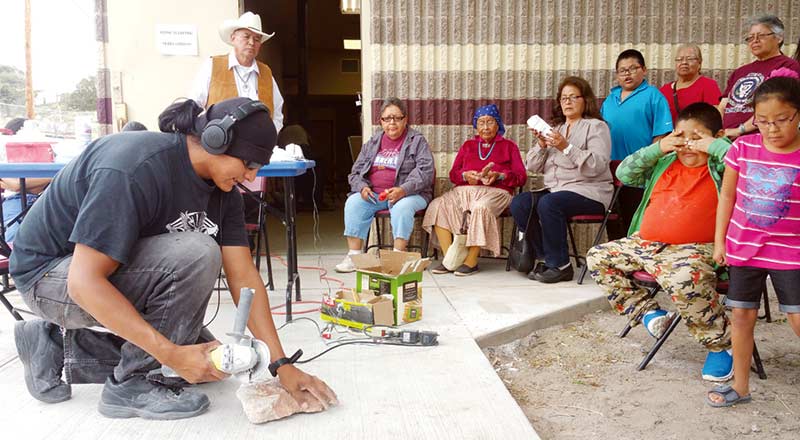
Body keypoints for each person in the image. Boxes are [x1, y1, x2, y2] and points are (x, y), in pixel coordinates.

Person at [9, 97, 337, 419]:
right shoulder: (134, 167)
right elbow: (83, 283)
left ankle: (53, 347)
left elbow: (244, 276)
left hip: (106, 273)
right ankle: (131, 384)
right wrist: (171, 354)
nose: (251, 177)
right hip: (50, 276)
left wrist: (280, 365)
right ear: (216, 141)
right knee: (197, 257)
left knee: (209, 360)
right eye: (249, 165)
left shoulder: (224, 193)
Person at [587, 102, 734, 382]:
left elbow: (742, 160)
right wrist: (660, 147)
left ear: (718, 136)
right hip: (648, 244)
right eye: (681, 136)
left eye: (696, 137)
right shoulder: (665, 160)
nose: (687, 144)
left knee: (682, 277)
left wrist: (714, 146)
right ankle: (648, 312)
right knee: (598, 256)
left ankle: (721, 346)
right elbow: (624, 174)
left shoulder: (722, 165)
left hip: (696, 248)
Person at [707, 75, 800, 407]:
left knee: (797, 318)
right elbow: (727, 196)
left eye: (781, 120)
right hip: (744, 246)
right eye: (762, 121)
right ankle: (741, 387)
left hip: (792, 252)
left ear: (798, 115)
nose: (772, 129)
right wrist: (720, 242)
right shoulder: (743, 148)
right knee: (742, 317)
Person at [509, 76, 612, 283]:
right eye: (564, 98)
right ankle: (545, 257)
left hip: (590, 191)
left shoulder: (596, 127)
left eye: (573, 97)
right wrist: (541, 145)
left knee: (549, 203)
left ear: (585, 101)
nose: (567, 102)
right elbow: (532, 167)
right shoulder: (557, 130)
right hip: (557, 190)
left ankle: (561, 265)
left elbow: (598, 165)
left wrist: (566, 147)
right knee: (520, 203)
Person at [423, 104, 526, 276]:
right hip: (465, 191)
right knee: (437, 205)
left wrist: (500, 175)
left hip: (496, 192)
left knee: (480, 207)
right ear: (475, 126)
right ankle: (451, 259)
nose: (485, 127)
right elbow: (453, 174)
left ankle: (471, 261)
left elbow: (521, 177)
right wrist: (465, 176)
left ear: (498, 124)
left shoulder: (509, 146)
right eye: (481, 122)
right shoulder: (468, 145)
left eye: (490, 122)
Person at [335, 98, 434, 273]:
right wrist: (362, 188)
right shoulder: (373, 142)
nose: (392, 123)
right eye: (387, 118)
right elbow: (355, 173)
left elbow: (426, 171)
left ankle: (397, 258)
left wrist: (403, 190)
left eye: (396, 118)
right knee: (354, 202)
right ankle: (354, 256)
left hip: (411, 194)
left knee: (402, 206)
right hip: (375, 195)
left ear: (405, 119)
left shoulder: (417, 141)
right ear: (381, 121)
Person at [601, 49, 673, 239]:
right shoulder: (609, 100)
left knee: (636, 224)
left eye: (633, 68)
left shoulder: (654, 96)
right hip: (610, 174)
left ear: (644, 70)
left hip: (640, 175)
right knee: (614, 223)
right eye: (622, 70)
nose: (627, 73)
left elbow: (661, 137)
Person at [191, 11, 284, 132]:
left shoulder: (266, 72)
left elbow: (277, 113)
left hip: (258, 147)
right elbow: (194, 104)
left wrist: (269, 137)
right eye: (246, 36)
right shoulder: (212, 66)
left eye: (257, 39)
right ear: (233, 38)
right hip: (221, 146)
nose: (251, 42)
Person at [718, 14, 800, 140]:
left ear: (779, 38)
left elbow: (776, 106)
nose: (754, 41)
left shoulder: (788, 66)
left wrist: (740, 130)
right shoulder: (740, 71)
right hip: (726, 138)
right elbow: (723, 106)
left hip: (759, 138)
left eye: (761, 36)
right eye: (750, 38)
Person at [0, 118, 50, 242]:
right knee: (14, 238)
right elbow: (16, 185)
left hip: (45, 198)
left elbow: (17, 184)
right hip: (15, 200)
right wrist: (52, 177)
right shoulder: (4, 157)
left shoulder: (45, 152)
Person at [659, 45, 722, 123]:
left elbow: (715, 117)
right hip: (670, 134)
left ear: (699, 63)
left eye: (690, 59)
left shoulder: (708, 85)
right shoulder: (664, 90)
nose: (684, 62)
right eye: (679, 59)